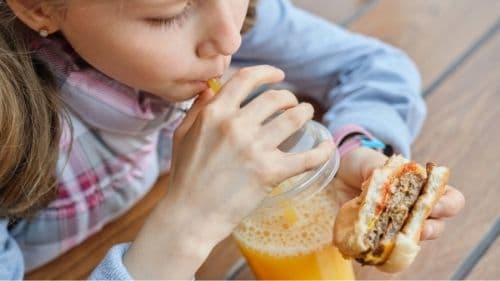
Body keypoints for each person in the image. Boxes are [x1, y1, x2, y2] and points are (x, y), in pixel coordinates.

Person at [0, 0, 465, 279]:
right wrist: (188, 222)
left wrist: (354, 151)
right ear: (38, 7)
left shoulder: (225, 15)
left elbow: (377, 67)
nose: (228, 39)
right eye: (168, 14)